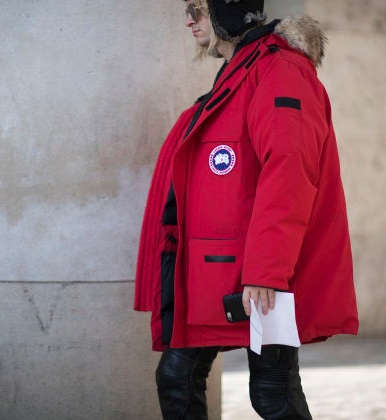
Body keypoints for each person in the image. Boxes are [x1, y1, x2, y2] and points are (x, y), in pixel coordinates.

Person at [134, 1, 359, 418]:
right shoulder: (241, 72)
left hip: (261, 276)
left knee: (272, 392)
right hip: (216, 267)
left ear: (226, 10)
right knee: (178, 378)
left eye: (197, 9)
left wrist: (266, 272)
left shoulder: (280, 71)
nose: (189, 20)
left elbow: (289, 173)